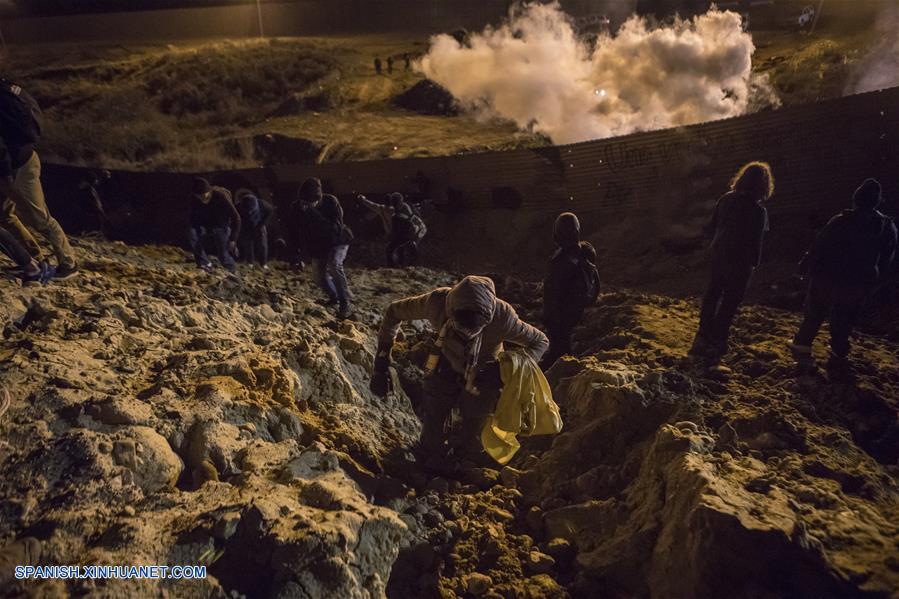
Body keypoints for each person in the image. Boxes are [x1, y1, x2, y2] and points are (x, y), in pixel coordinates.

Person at [370, 275, 548, 464]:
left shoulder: (503, 317)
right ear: (451, 311)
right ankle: (429, 458)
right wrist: (382, 360)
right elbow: (394, 312)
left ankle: (465, 462)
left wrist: (501, 369)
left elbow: (540, 341)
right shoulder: (436, 303)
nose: (467, 333)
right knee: (434, 418)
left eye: (474, 328)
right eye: (461, 326)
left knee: (474, 427)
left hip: (484, 373)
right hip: (445, 362)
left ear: (488, 317)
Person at [790, 178, 897, 364]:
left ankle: (803, 343)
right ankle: (839, 348)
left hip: (828, 275)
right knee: (846, 314)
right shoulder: (886, 226)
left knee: (815, 309)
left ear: (856, 199)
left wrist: (805, 264)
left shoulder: (841, 220)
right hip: (859, 279)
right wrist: (878, 276)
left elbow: (820, 244)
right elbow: (889, 255)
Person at [690, 162, 774, 361]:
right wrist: (755, 263)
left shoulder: (726, 199)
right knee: (730, 301)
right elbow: (756, 241)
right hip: (741, 261)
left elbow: (712, 227)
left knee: (713, 293)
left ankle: (703, 334)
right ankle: (718, 339)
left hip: (720, 256)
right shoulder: (758, 211)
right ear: (764, 185)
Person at [0, 76, 78, 279]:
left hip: (17, 167)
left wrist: (7, 179)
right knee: (4, 215)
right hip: (18, 161)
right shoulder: (7, 86)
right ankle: (33, 258)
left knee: (40, 218)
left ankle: (69, 264)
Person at [541, 213, 600, 368]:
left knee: (559, 356)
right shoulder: (582, 256)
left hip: (562, 319)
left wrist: (549, 317)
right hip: (572, 316)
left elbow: (554, 293)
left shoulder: (565, 261)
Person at [313, 193, 354, 319]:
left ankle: (345, 301)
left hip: (339, 240)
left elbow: (335, 228)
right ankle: (334, 296)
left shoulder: (331, 204)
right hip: (324, 243)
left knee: (334, 265)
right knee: (319, 275)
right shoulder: (306, 211)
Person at [187, 177, 241, 274]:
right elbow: (192, 217)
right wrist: (195, 231)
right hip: (205, 224)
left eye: (205, 196)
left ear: (209, 192)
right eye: (200, 197)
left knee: (223, 254)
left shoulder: (221, 196)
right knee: (191, 232)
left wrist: (233, 239)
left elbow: (236, 217)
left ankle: (232, 270)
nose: (203, 199)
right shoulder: (194, 199)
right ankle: (205, 264)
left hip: (221, 225)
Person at [234, 188, 273, 269]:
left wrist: (262, 224)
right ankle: (250, 262)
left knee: (262, 244)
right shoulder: (237, 208)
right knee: (247, 244)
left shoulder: (264, 205)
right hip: (245, 226)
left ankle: (263, 263)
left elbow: (270, 212)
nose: (249, 212)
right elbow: (235, 219)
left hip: (259, 224)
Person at [387, 200, 427, 267]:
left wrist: (415, 238)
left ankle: (413, 265)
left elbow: (422, 228)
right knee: (400, 248)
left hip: (414, 235)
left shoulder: (412, 219)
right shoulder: (399, 217)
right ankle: (401, 264)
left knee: (411, 249)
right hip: (407, 236)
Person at [72, 169, 111, 236]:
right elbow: (96, 204)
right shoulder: (89, 190)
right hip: (88, 212)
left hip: (87, 211)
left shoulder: (89, 189)